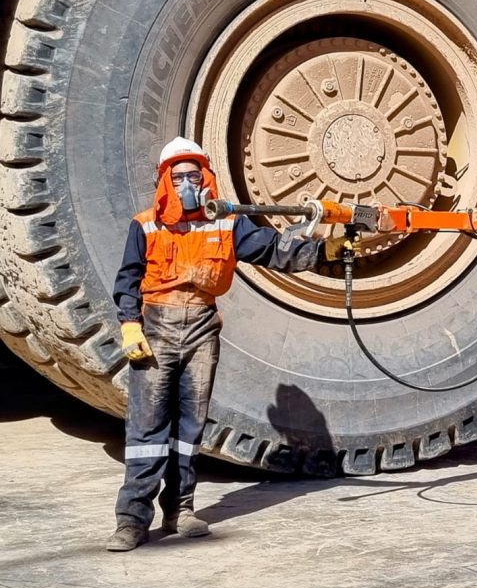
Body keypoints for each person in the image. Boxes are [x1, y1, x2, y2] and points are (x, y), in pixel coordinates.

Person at [107, 137, 346, 552]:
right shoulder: (146, 224)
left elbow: (272, 250)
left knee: (189, 427)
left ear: (206, 179)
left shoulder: (226, 222)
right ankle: (131, 520)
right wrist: (130, 325)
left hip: (201, 327)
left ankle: (180, 509)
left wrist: (324, 250)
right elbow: (128, 278)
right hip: (156, 327)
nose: (186, 183)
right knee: (147, 429)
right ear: (165, 180)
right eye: (178, 176)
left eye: (193, 176)